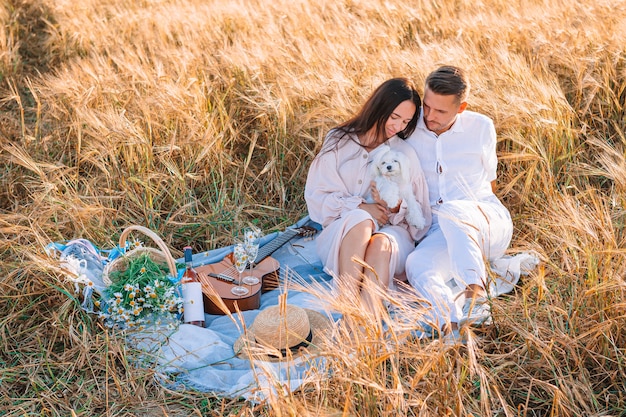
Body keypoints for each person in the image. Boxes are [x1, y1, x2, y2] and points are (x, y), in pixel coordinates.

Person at [305, 78, 432, 316]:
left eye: (406, 121)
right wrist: (363, 207)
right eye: (394, 117)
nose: (399, 126)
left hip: (392, 234)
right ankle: (349, 305)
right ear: (379, 106)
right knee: (360, 220)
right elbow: (318, 198)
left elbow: (420, 218)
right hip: (341, 235)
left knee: (380, 243)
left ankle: (365, 324)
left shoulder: (404, 154)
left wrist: (391, 208)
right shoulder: (338, 140)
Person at [404, 66, 513, 338]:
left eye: (440, 111)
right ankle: (449, 321)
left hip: (485, 220)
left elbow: (490, 182)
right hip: (440, 229)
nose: (428, 116)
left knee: (454, 211)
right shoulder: (409, 127)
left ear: (461, 107)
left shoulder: (481, 127)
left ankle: (477, 297)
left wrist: (472, 222)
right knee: (417, 263)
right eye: (426, 106)